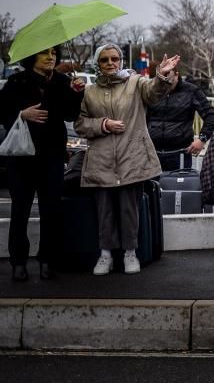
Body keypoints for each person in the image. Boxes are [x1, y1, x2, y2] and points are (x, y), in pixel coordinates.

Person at [75, 44, 179, 275]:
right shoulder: (89, 91)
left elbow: (153, 92)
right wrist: (103, 124)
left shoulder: (135, 82)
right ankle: (106, 255)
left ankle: (130, 253)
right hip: (101, 160)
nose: (111, 63)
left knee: (128, 209)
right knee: (104, 211)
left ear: (121, 61)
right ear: (98, 64)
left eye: (115, 58)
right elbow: (81, 123)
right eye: (105, 60)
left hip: (131, 157)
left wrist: (162, 75)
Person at [0, 46, 85, 281]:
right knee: (20, 210)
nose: (50, 57)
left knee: (51, 211)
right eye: (45, 53)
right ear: (32, 57)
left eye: (53, 53)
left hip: (52, 155)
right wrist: (22, 114)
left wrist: (76, 93)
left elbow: (70, 115)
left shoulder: (63, 81)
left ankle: (47, 261)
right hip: (21, 158)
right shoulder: (16, 82)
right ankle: (19, 263)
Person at [146, 69, 214, 171]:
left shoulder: (191, 91)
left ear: (177, 74)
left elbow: (211, 116)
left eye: (168, 78)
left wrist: (202, 139)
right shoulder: (151, 90)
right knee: (151, 186)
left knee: (178, 187)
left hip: (180, 154)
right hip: (152, 153)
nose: (165, 84)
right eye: (162, 78)